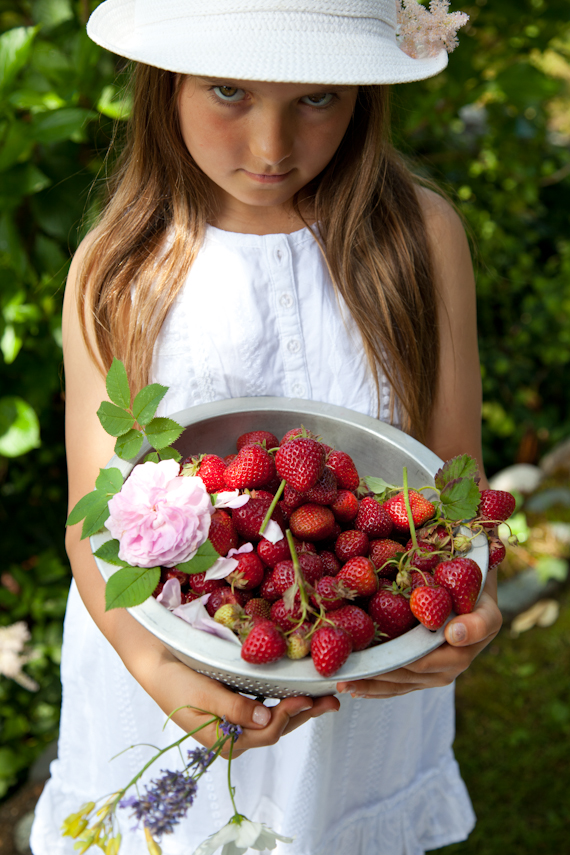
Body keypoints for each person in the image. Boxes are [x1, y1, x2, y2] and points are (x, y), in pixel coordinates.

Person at [31, 2, 503, 853]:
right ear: (162, 85)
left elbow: (452, 492)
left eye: (318, 97)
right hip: (169, 660)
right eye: (228, 91)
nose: (273, 145)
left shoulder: (419, 242)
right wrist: (159, 671)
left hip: (364, 666)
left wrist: (471, 602)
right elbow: (90, 524)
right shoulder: (121, 268)